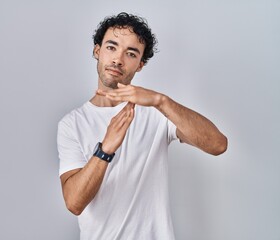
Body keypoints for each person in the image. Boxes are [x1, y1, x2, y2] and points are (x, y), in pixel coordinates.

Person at [57, 12, 227, 240]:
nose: (118, 59)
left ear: (140, 65)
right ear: (97, 51)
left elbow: (218, 145)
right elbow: (74, 203)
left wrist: (161, 101)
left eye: (131, 53)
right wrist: (105, 149)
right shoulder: (72, 123)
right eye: (111, 47)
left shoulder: (156, 112)